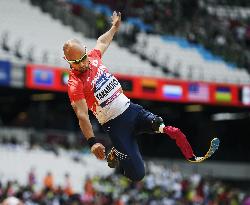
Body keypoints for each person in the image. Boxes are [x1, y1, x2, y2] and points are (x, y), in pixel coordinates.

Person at [63, 11, 196, 182]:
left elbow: (102, 41)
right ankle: (117, 153)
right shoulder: (75, 84)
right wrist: (92, 142)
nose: (81, 64)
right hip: (115, 124)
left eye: (82, 58)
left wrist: (114, 28)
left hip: (131, 109)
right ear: (68, 62)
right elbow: (82, 115)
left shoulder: (93, 58)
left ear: (85, 52)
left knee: (158, 123)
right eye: (76, 62)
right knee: (137, 175)